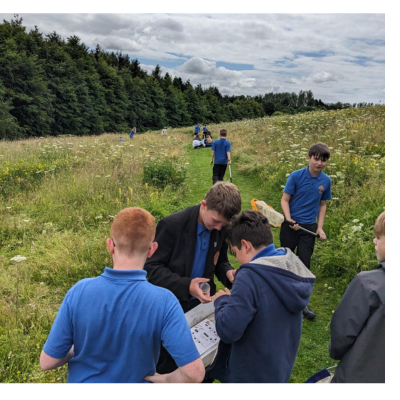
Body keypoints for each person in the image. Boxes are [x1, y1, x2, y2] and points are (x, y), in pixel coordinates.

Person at [40, 207, 205, 383]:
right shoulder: (165, 301)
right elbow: (194, 373)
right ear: (152, 250)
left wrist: (77, 348)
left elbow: (48, 361)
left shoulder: (79, 291)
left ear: (110, 245)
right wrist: (166, 380)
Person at [144, 181, 242, 374]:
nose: (219, 228)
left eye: (224, 224)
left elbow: (219, 261)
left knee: (202, 358)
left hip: (203, 305)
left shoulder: (219, 228)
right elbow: (151, 268)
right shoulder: (172, 226)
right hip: (172, 306)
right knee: (169, 361)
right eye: (215, 221)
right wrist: (187, 286)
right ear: (203, 205)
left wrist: (228, 272)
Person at [211, 210, 315, 383]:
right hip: (278, 367)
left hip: (250, 373)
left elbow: (228, 330)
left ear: (245, 245)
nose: (238, 261)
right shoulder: (288, 262)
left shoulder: (249, 276)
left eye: (236, 253)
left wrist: (222, 301)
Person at [329, 211, 385, 383]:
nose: (374, 240)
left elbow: (342, 334)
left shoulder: (367, 284)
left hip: (356, 376)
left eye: (379, 236)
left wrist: (335, 352)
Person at [279, 142, 332, 320]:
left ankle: (301, 303)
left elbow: (322, 204)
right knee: (287, 260)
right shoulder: (296, 176)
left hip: (308, 227)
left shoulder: (326, 181)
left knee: (304, 265)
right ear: (308, 157)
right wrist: (288, 219)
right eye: (316, 159)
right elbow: (285, 200)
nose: (319, 163)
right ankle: (282, 297)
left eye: (323, 160)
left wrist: (320, 227)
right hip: (290, 224)